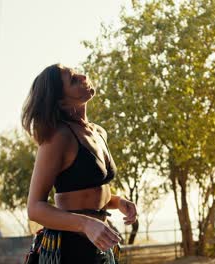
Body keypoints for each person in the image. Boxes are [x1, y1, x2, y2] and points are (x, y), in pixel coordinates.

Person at [21, 63, 138, 264]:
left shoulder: (99, 132)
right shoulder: (58, 138)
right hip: (69, 248)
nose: (84, 77)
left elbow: (85, 192)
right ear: (60, 101)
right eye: (74, 80)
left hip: (100, 245)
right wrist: (86, 225)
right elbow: (35, 208)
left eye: (78, 73)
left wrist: (118, 202)